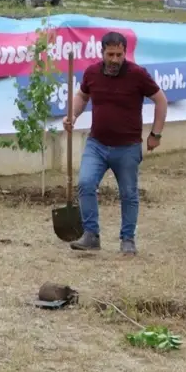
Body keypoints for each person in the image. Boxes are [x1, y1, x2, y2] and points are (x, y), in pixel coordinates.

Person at [63, 32, 168, 256]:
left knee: (129, 194)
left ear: (124, 53)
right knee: (85, 183)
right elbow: (82, 96)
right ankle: (91, 235)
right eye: (110, 54)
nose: (114, 59)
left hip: (127, 147)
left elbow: (160, 99)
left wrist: (155, 134)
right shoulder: (92, 73)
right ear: (102, 53)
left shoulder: (138, 75)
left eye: (119, 54)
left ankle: (127, 239)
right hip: (97, 145)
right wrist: (72, 115)